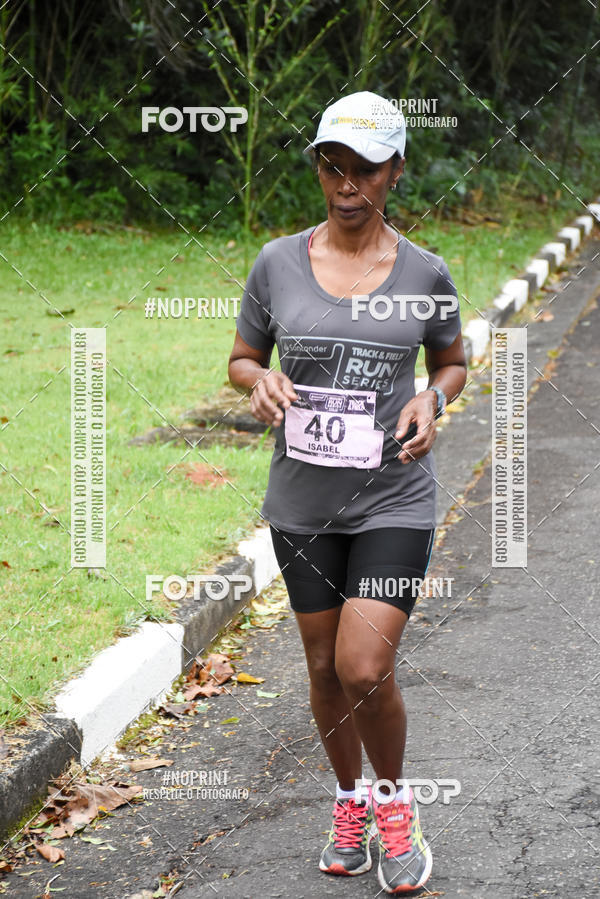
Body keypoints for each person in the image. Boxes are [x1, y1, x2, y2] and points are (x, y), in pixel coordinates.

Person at [228, 90, 466, 894]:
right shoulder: (277, 262)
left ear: (396, 171)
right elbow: (242, 356)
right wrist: (258, 380)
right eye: (333, 164)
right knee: (324, 666)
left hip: (394, 496)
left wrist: (432, 399)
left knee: (366, 665)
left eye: (365, 167)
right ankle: (349, 800)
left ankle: (397, 805)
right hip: (302, 502)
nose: (347, 182)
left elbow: (451, 361)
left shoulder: (425, 270)